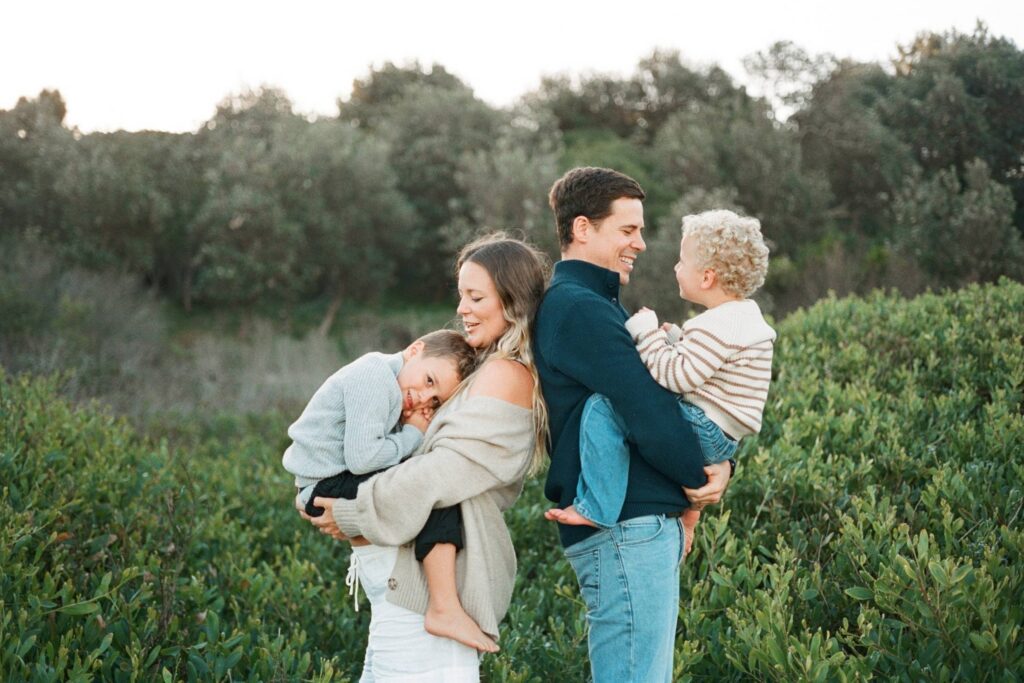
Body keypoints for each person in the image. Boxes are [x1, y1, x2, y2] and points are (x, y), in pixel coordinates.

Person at [302, 234, 549, 683]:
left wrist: (355, 512)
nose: (463, 309)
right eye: (461, 296)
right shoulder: (478, 368)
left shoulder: (505, 373)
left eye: (476, 297)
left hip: (426, 591)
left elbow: (441, 474)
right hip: (403, 584)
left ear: (511, 302)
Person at [534, 167, 733, 682]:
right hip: (626, 527)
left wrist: (716, 467)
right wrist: (703, 475)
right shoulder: (578, 308)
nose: (641, 244)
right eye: (628, 230)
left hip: (633, 525)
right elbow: (646, 409)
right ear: (582, 228)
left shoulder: (595, 304)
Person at [546, 209, 775, 559]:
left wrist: (647, 334)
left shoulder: (714, 326)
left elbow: (675, 378)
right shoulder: (741, 319)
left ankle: (596, 506)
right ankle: (689, 519)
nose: (675, 268)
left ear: (708, 277)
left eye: (682, 262)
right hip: (723, 438)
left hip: (706, 429)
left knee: (601, 407)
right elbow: (708, 371)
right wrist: (676, 340)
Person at [283, 329, 492, 651]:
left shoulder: (392, 384)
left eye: (434, 399)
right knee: (432, 489)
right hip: (326, 485)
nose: (423, 397)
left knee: (429, 485)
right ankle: (444, 606)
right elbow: (363, 457)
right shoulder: (375, 377)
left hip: (331, 480)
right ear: (415, 350)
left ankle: (440, 598)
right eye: (429, 381)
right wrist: (412, 434)